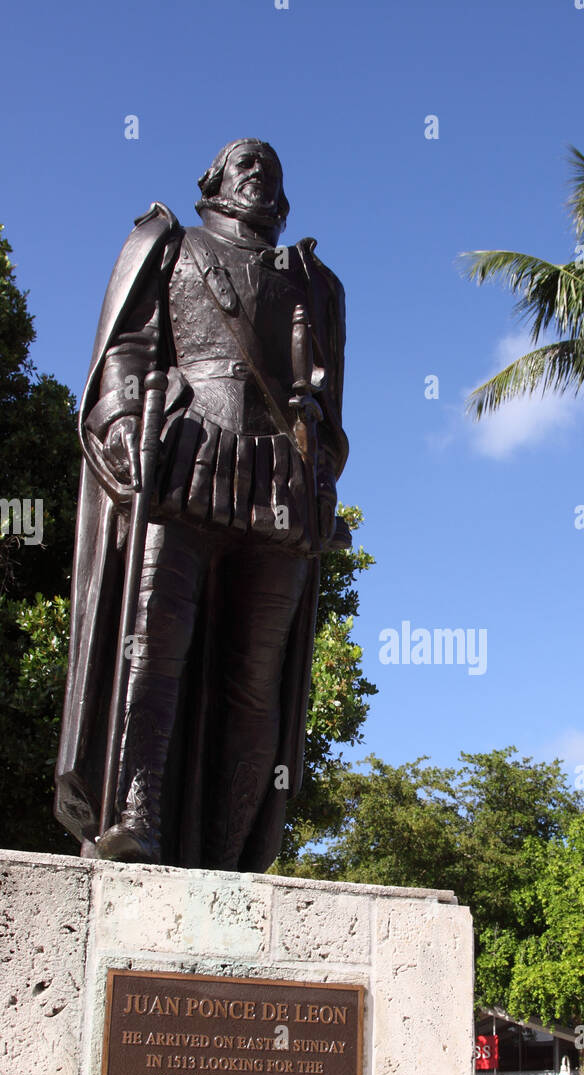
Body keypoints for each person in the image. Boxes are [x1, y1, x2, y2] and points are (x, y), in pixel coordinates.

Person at [55, 140, 349, 871]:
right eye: (244, 162)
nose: (261, 172)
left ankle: (228, 850)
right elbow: (129, 350)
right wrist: (125, 423)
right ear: (212, 181)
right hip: (187, 460)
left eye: (273, 168)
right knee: (152, 649)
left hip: (277, 483)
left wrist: (319, 456)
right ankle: (137, 815)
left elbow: (329, 403)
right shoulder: (170, 246)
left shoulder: (316, 281)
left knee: (254, 680)